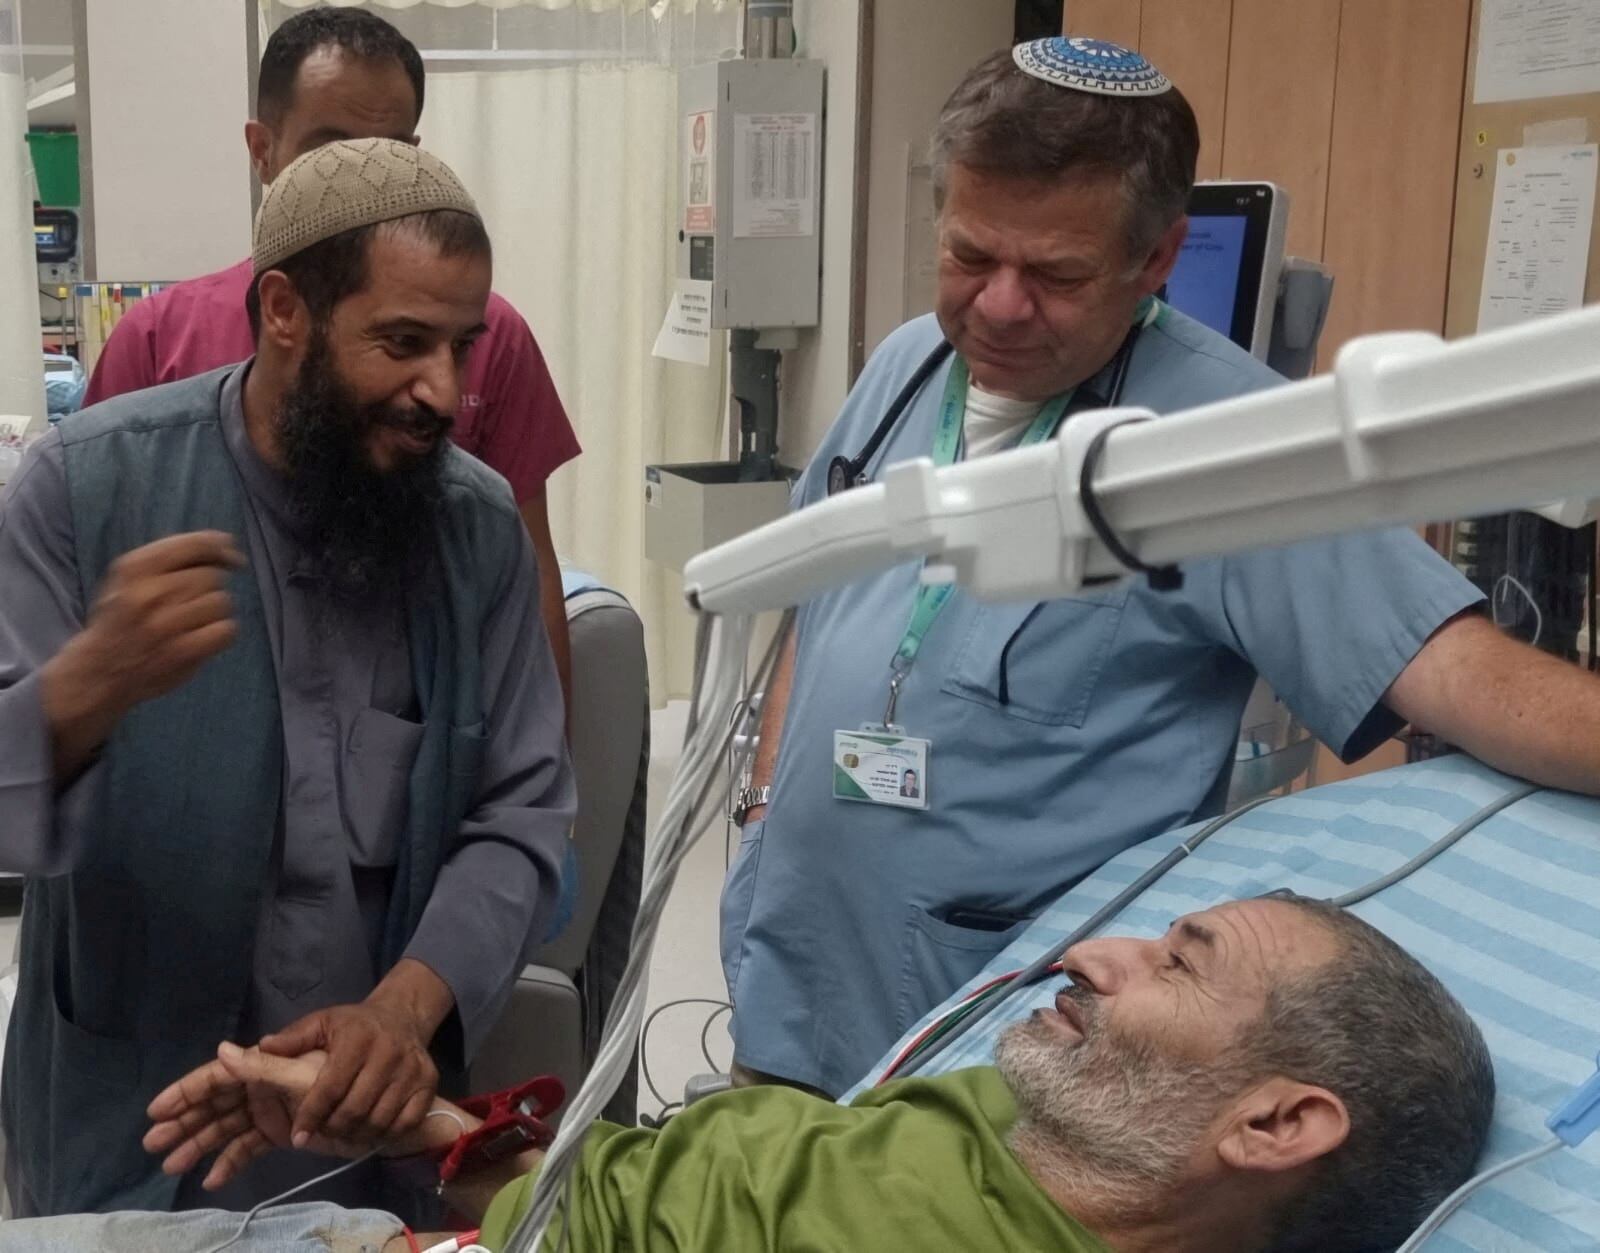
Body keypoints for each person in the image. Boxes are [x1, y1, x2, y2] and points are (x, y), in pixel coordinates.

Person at [722, 36, 1600, 1098]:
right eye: (968, 255)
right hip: (793, 979)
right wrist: (768, 800)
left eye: (1052, 274)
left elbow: (1454, 673)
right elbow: (821, 597)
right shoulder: (909, 364)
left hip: (995, 1034)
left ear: (1155, 259)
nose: (996, 306)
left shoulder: (1225, 440)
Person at [0, 139, 574, 1216]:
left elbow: (522, 810)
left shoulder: (475, 529)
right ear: (284, 313)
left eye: (461, 346)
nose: (441, 391)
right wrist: (83, 690)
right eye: (402, 343)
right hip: (128, 1133)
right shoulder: (84, 492)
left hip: (368, 1137)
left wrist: (404, 1011)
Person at [0, 894, 1494, 1252]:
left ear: (1280, 1120)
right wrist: (439, 1127)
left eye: (1179, 964)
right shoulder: (1025, 1122)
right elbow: (655, 1199)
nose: (1091, 953)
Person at [82, 6, 581, 707]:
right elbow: (95, 584)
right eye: (328, 149)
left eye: (390, 153)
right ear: (262, 151)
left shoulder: (489, 340)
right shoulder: (159, 340)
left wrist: (552, 790)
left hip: (410, 718)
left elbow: (528, 577)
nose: (362, 180)